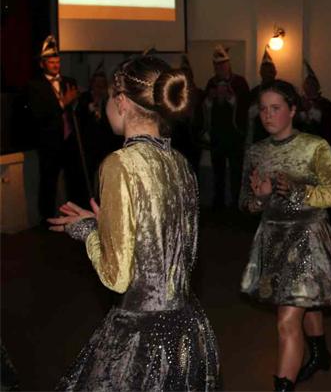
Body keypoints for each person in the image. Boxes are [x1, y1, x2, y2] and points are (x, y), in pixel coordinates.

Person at [48, 54, 220, 390]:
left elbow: (117, 276)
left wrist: (88, 231)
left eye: (109, 97)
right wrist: (109, 226)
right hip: (187, 329)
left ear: (122, 102)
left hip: (142, 335)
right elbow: (166, 243)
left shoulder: (120, 163)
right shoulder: (181, 164)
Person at [239, 80, 331, 392]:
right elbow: (246, 203)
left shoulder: (314, 146)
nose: (268, 115)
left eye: (275, 108)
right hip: (272, 238)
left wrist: (297, 190)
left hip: (307, 238)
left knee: (287, 319)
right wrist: (261, 198)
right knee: (306, 301)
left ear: (292, 110)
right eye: (263, 109)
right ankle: (319, 353)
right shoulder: (256, 151)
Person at [26, 35, 86, 224]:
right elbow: (38, 114)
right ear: (42, 64)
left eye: (57, 61)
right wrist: (62, 103)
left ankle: (78, 218)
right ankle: (47, 220)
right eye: (51, 62)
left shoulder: (68, 81)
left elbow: (78, 110)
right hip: (49, 143)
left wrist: (76, 102)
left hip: (70, 141)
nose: (55, 65)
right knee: (48, 182)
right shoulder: (34, 86)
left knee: (74, 180)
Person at [202, 44, 251, 210]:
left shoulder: (240, 82)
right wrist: (210, 99)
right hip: (217, 137)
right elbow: (205, 108)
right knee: (218, 174)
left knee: (236, 173)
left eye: (222, 65)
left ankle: (236, 206)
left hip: (235, 137)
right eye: (217, 65)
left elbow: (246, 107)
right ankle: (219, 206)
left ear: (229, 65)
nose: (220, 68)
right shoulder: (211, 83)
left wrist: (232, 100)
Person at [76, 68, 123, 193]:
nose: (99, 88)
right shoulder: (84, 99)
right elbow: (78, 120)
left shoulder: (108, 100)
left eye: (102, 85)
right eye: (97, 85)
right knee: (87, 179)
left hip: (105, 146)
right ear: (92, 85)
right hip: (88, 147)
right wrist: (89, 111)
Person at [296, 62, 331, 146]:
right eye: (307, 83)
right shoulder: (298, 102)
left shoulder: (326, 104)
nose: (309, 86)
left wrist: (310, 109)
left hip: (318, 143)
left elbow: (328, 126)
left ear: (317, 86)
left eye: (312, 84)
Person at [247, 48, 278, 144]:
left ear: (275, 72)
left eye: (270, 71)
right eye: (265, 71)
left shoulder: (283, 90)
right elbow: (248, 117)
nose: (268, 74)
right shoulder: (254, 92)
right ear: (260, 73)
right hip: (259, 138)